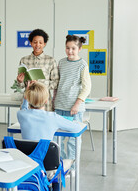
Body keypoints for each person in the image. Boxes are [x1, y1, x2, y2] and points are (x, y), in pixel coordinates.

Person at [54, 35, 92, 169]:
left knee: (73, 140)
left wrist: (77, 104)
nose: (70, 51)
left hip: (75, 107)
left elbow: (87, 87)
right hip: (59, 105)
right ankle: (61, 164)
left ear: (79, 48)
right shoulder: (62, 62)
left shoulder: (82, 65)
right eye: (67, 48)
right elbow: (57, 83)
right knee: (57, 138)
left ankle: (73, 167)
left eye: (73, 48)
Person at [17, 81, 82, 141]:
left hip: (25, 153)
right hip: (46, 153)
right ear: (46, 101)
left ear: (28, 98)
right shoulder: (53, 117)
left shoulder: (21, 114)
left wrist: (26, 96)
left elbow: (24, 109)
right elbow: (77, 128)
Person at [17, 29, 59, 111]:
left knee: (46, 123)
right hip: (28, 100)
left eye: (40, 42)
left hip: (45, 101)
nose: (37, 45)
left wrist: (40, 83)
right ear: (30, 42)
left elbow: (56, 83)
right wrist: (19, 81)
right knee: (28, 123)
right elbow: (21, 86)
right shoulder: (24, 60)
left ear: (44, 44)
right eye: (35, 42)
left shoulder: (50, 60)